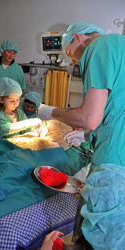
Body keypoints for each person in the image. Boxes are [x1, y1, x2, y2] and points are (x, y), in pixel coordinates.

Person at [39, 20, 125, 249]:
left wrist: (51, 112)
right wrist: (88, 137)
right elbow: (116, 114)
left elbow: (89, 118)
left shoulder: (100, 46)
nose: (73, 62)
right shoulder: (121, 49)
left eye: (70, 54)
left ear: (78, 37)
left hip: (114, 170)